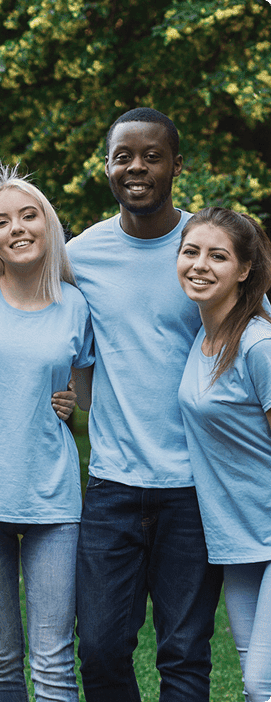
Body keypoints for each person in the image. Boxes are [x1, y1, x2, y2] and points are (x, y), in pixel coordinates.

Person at [66, 107, 223, 701]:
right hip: (113, 485)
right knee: (101, 650)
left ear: (176, 165)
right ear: (107, 166)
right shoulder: (81, 256)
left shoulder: (207, 249)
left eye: (151, 156)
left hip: (194, 484)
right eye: (122, 155)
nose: (136, 167)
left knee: (184, 654)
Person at [0, 165, 93, 702]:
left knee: (53, 661)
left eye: (28, 215)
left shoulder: (76, 306)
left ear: (48, 225)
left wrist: (71, 403)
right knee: (1, 659)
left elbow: (85, 390)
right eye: (1, 221)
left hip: (53, 499)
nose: (17, 228)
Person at [177, 208, 271, 702]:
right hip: (237, 538)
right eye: (190, 252)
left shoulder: (259, 345)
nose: (200, 265)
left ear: (245, 269)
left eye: (218, 256)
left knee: (262, 682)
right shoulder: (204, 336)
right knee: (255, 680)